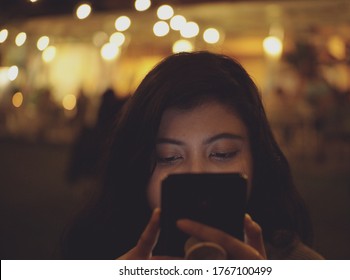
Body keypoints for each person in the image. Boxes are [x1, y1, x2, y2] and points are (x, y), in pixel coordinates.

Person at [62, 51, 323, 260]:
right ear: (137, 166)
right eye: (168, 157)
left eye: (222, 153)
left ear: (257, 159)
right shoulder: (91, 256)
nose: (196, 174)